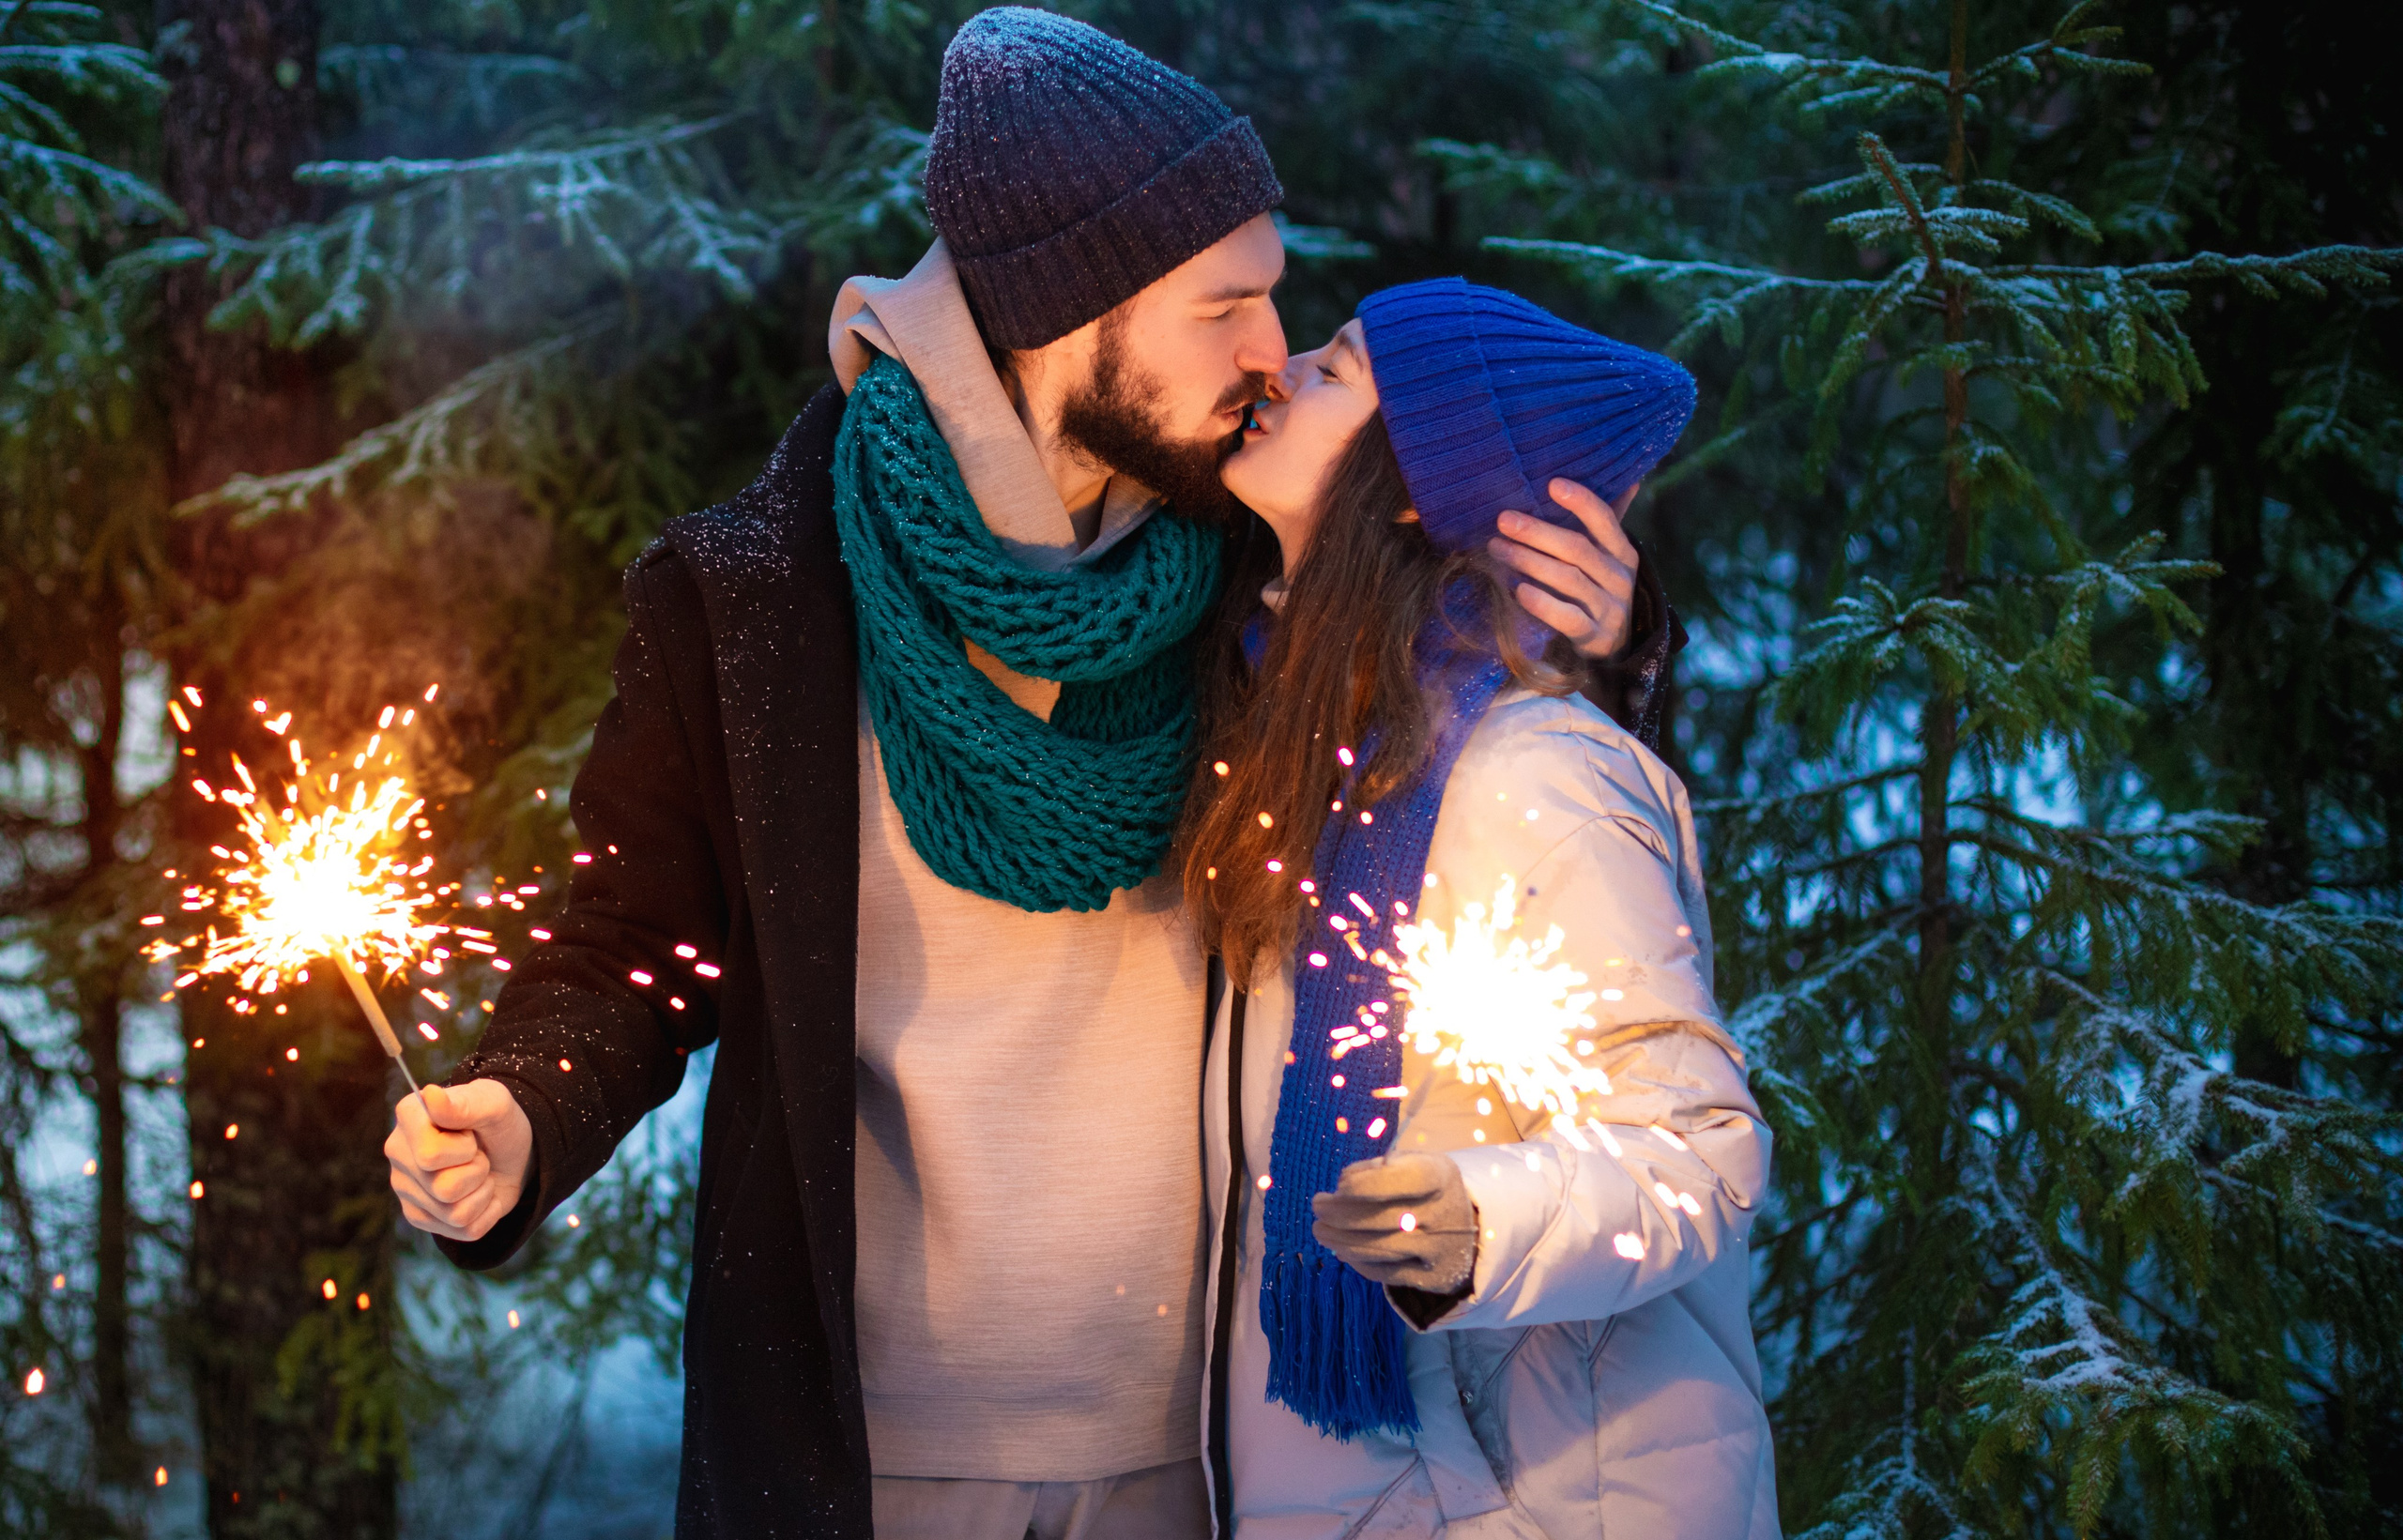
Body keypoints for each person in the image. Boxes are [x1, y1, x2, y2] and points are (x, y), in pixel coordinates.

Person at [378, 11, 1671, 1539]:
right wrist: (525, 1110)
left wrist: (1601, 649)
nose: (1274, 350)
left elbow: (1472, 804)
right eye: (1227, 307)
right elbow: (626, 948)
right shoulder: (752, 596)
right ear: (1074, 312)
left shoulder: (1257, 574)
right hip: (859, 1463)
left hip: (1215, 1450)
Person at [1186, 280, 1778, 1537]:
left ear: (1411, 488)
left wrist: (1480, 1220)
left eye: (1337, 368)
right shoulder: (1305, 753)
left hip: (1532, 1497)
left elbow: (1701, 1152)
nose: (1282, 368)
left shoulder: (1532, 776)